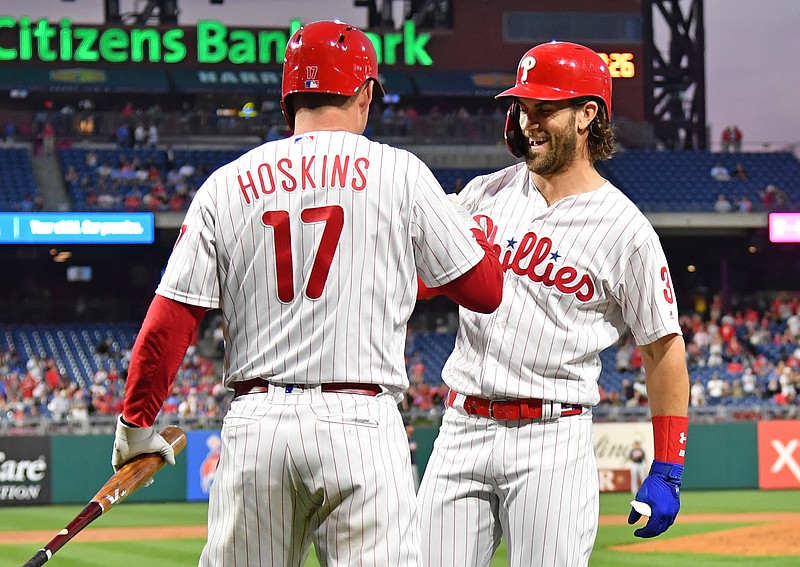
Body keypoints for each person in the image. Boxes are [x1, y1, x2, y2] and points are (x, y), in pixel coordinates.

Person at [109, 20, 503, 567]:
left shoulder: (225, 184)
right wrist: (475, 236)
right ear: (365, 94)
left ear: (288, 98)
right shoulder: (400, 173)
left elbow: (170, 322)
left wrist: (135, 425)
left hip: (257, 427)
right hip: (361, 425)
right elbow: (484, 292)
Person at [416, 41, 690, 567]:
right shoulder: (481, 195)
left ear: (588, 114)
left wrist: (668, 467)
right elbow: (416, 273)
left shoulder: (624, 228)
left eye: (545, 109)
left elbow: (663, 349)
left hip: (551, 438)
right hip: (460, 427)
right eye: (521, 107)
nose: (528, 122)